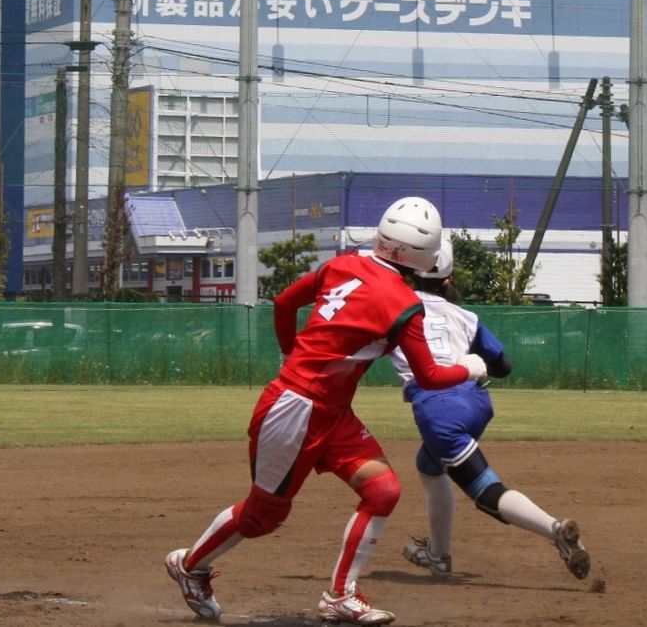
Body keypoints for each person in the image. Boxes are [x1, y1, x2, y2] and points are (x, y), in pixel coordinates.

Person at [164, 197, 489, 625]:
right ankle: (190, 565)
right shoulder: (403, 304)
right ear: (425, 257)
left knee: (382, 490)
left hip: (326, 410)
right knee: (263, 516)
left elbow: (283, 304)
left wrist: (290, 356)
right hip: (296, 411)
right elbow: (428, 376)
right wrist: (470, 366)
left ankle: (340, 595)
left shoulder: (346, 264)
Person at [391, 241, 590, 580]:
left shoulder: (393, 307)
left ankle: (555, 528)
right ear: (448, 279)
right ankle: (437, 555)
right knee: (429, 464)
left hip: (440, 412)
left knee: (486, 492)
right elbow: (504, 366)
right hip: (476, 401)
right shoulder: (466, 316)